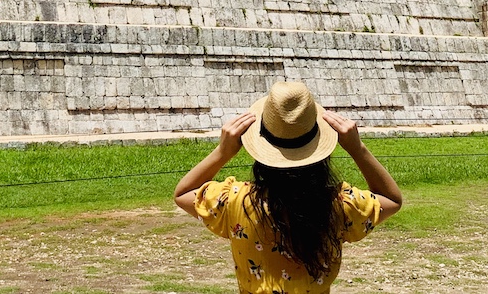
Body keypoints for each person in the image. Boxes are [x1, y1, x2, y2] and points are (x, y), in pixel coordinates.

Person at [173, 81, 403, 293]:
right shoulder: (340, 206)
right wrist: (357, 149)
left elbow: (183, 193)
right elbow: (391, 199)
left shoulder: (235, 201)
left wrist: (222, 152)